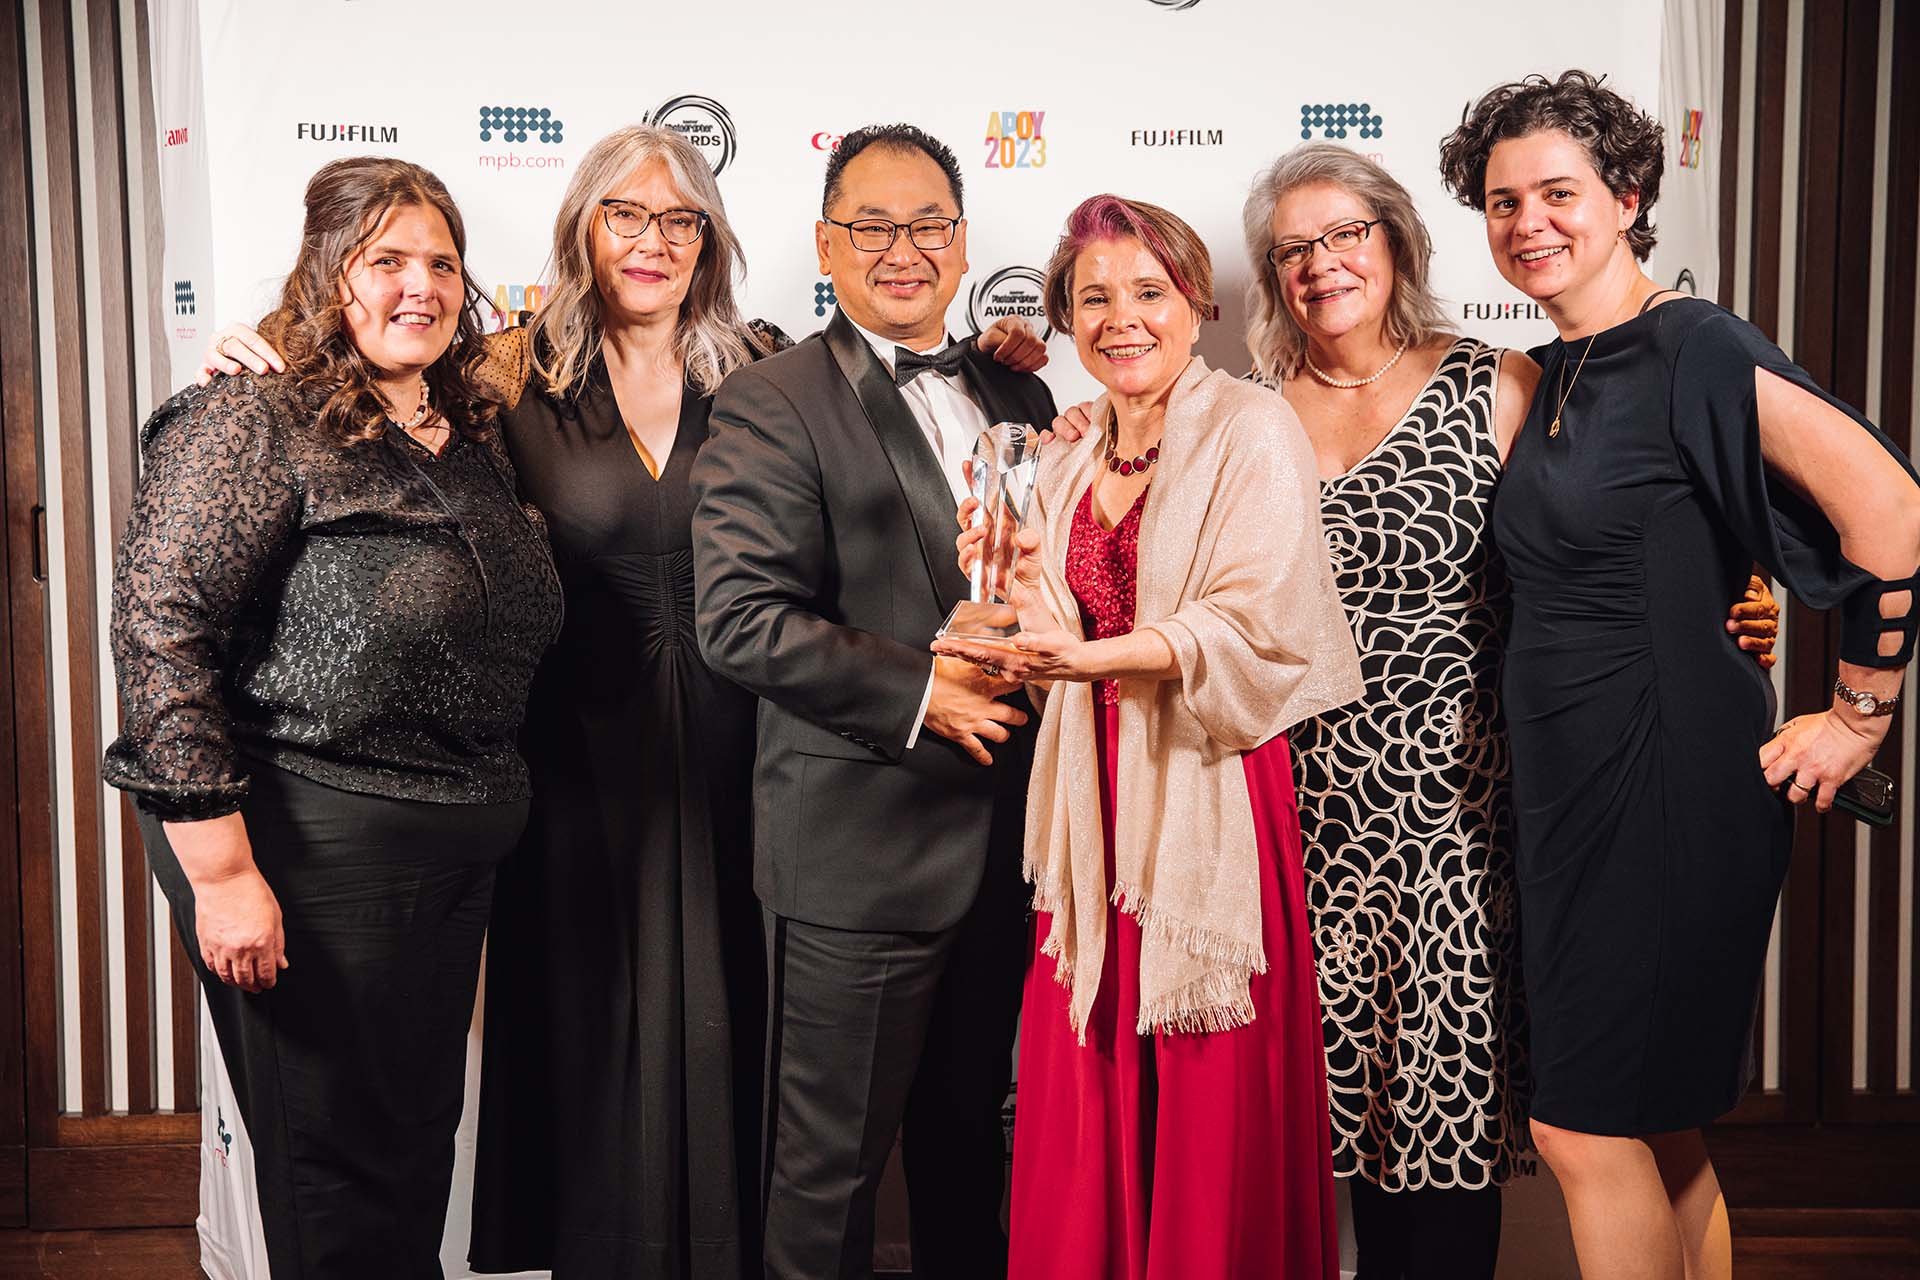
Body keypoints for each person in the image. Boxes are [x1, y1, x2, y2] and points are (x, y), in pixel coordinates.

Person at [1236, 142, 1780, 1280]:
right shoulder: (1243, 416)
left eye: (1347, 235)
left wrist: (1732, 593)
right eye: (1294, 248)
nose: (1322, 264)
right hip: (1293, 830)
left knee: (1445, 1152)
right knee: (1322, 1148)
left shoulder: (1496, 380)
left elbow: (1613, 529)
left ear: (1396, 242)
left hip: (1462, 830)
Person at [1438, 70, 1919, 1280]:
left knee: (1578, 1119)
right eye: (1503, 201)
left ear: (1629, 195)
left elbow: (1891, 507)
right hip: (1570, 779)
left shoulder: (1693, 342)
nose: (1529, 223)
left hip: (1666, 771)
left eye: (1560, 191)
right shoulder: (1554, 370)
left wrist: (1860, 714)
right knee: (1656, 1117)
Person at [103, 157, 562, 1278]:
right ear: (327, 271)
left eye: (442, 262)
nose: (421, 285)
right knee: (334, 1184)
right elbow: (159, 632)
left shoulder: (472, 425)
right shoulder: (253, 412)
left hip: (452, 851)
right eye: (386, 259)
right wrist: (219, 873)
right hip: (313, 848)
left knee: (407, 1162)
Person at [937, 193, 1365, 1280]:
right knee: (1085, 1077)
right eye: (1094, 298)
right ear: (1067, 322)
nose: (1122, 318)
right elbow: (1037, 627)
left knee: (1207, 1084)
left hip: (1208, 795)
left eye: (1148, 291)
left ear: (1196, 301)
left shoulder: (1251, 425)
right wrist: (1002, 580)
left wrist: (1089, 660)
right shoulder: (1062, 456)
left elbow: (1256, 620)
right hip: (1088, 804)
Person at [689, 123, 1057, 1280]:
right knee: (824, 1183)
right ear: (824, 243)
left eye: (928, 226)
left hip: (1013, 849)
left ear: (961, 242)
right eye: (872, 226)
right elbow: (740, 618)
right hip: (858, 854)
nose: (903, 250)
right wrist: (923, 689)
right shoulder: (772, 399)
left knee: (972, 1164)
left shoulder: (1016, 384)